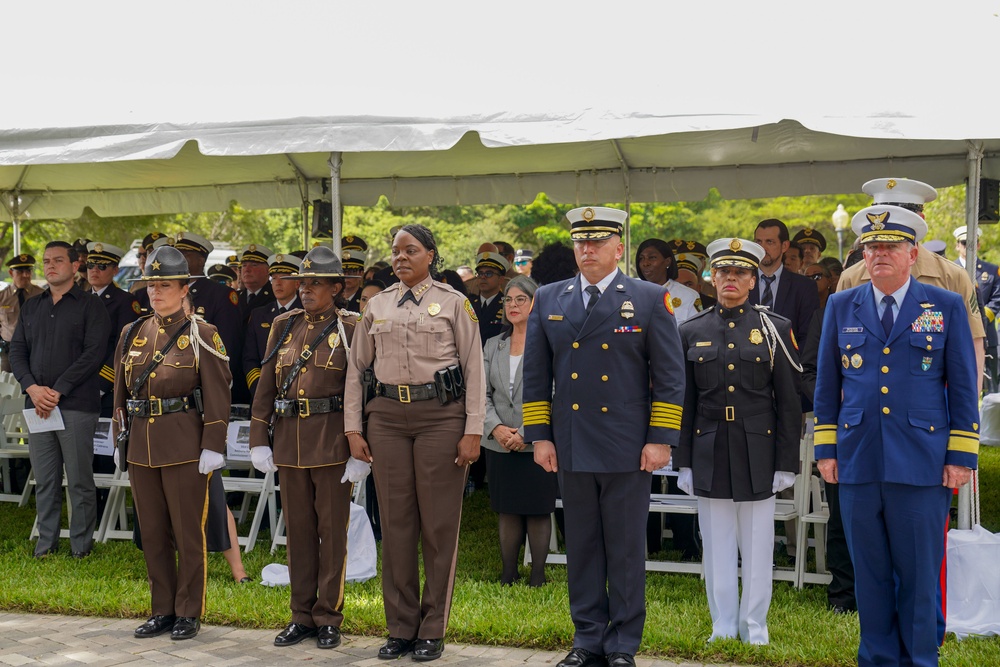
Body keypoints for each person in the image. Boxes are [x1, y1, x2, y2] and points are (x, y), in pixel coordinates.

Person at [814, 204, 979, 667]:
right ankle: (878, 658)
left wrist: (961, 455)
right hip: (859, 459)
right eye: (871, 247)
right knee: (870, 574)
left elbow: (964, 384)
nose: (879, 254)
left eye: (890, 246)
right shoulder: (842, 304)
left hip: (922, 460)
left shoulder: (943, 304)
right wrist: (826, 448)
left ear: (913, 253)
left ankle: (921, 660)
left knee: (920, 576)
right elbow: (828, 382)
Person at [523, 206, 684, 667]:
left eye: (597, 242)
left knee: (626, 546)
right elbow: (536, 376)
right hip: (572, 441)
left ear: (619, 248)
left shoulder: (649, 298)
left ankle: (623, 643)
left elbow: (670, 377)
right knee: (584, 545)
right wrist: (540, 436)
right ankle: (587, 636)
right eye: (580, 242)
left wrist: (661, 438)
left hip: (627, 444)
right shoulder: (550, 297)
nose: (587, 249)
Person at [345, 224, 485, 662]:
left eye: (410, 250)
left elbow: (474, 367)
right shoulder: (378, 305)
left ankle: (432, 629)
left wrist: (473, 429)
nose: (401, 257)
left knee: (438, 526)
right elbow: (356, 370)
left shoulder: (455, 303)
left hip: (440, 418)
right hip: (386, 418)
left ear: (431, 255)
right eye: (395, 251)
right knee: (397, 524)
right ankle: (400, 627)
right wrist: (353, 427)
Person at [674, 238, 801, 645]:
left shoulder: (774, 328)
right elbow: (684, 403)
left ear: (752, 279)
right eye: (724, 271)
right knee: (717, 544)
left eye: (741, 272)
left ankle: (755, 625)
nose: (731, 278)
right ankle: (723, 624)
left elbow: (788, 401)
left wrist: (787, 461)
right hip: (710, 447)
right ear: (712, 277)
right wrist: (685, 461)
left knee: (758, 545)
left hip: (758, 449)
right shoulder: (691, 330)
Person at [113, 244, 232, 641]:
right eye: (151, 284)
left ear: (185, 289)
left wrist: (213, 445)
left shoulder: (204, 334)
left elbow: (218, 393)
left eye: (165, 284)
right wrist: (121, 438)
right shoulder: (132, 332)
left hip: (184, 444)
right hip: (142, 445)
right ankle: (161, 609)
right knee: (153, 533)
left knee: (187, 532)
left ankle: (188, 611)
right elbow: (121, 393)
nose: (155, 291)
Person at [249, 245, 359, 650]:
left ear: (337, 287)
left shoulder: (351, 326)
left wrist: (359, 448)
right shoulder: (284, 324)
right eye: (303, 282)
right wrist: (259, 438)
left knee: (332, 533)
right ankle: (301, 615)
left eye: (316, 283)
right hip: (290, 442)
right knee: (297, 532)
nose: (306, 289)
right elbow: (265, 386)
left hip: (331, 440)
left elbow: (359, 391)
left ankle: (328, 616)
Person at [10, 241, 111, 559]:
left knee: (80, 479)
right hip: (37, 406)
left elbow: (93, 354)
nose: (49, 266)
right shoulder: (32, 306)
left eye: (57, 260)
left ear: (75, 265)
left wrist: (58, 389)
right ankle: (46, 545)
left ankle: (81, 547)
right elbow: (17, 351)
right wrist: (32, 388)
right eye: (45, 261)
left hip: (76, 405)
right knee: (45, 478)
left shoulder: (91, 306)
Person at [839, 178, 986, 392]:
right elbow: (838, 355)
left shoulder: (953, 277)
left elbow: (973, 346)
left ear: (921, 220)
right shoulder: (852, 278)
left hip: (931, 409)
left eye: (901, 216)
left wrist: (968, 416)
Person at [483, 275, 558, 587]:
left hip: (538, 442)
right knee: (507, 509)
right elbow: (480, 394)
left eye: (520, 300)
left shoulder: (551, 344)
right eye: (508, 300)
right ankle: (508, 573)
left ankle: (538, 576)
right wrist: (496, 428)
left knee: (538, 510)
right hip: (500, 443)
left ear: (534, 303)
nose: (513, 306)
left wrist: (527, 432)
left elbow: (557, 393)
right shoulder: (492, 345)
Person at [750, 219, 820, 342]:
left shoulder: (804, 287)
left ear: (784, 246)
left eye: (769, 242)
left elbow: (808, 337)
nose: (762, 248)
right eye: (758, 242)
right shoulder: (742, 283)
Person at [243, 254, 302, 398]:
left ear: (297, 283)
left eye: (283, 278)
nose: (277, 283)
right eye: (274, 278)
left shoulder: (306, 313)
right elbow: (250, 358)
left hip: (298, 393)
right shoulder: (259, 315)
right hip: (262, 393)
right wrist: (260, 387)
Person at [954, 225, 1000, 393]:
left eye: (973, 243)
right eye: (965, 243)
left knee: (991, 386)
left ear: (979, 245)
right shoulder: (950, 270)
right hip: (957, 332)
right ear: (957, 245)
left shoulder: (992, 271)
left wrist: (981, 318)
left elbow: (997, 298)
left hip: (986, 332)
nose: (968, 247)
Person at [635, 238, 703, 323]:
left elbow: (696, 332)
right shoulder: (630, 292)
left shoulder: (688, 296)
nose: (645, 263)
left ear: (667, 261)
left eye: (652, 258)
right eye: (641, 258)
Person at [0, 253, 44, 373]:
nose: (25, 275)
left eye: (28, 271)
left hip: (36, 351)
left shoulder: (42, 295)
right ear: (11, 273)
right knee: (7, 386)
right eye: (20, 272)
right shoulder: (2, 297)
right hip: (9, 351)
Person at [472, 251, 510, 345]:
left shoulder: (507, 304)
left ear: (500, 279)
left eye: (489, 274)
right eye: (480, 273)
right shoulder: (469, 303)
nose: (483, 277)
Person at [236, 244, 274, 322]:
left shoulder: (276, 296)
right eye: (244, 265)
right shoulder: (235, 297)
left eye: (254, 265)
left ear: (268, 270)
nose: (247, 270)